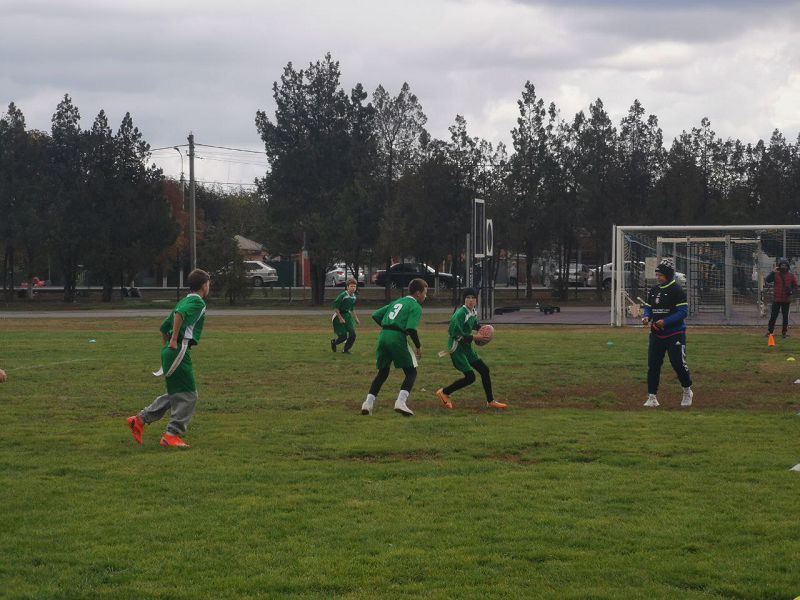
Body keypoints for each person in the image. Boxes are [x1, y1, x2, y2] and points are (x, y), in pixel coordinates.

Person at [127, 268, 211, 448]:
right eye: (208, 284)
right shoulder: (197, 302)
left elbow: (164, 326)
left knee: (176, 393)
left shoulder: (184, 300)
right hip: (179, 348)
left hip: (171, 351)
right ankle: (171, 435)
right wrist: (173, 341)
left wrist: (167, 346)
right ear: (204, 286)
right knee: (189, 395)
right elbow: (180, 315)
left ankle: (139, 420)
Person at [361, 278, 428, 417]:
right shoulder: (415, 306)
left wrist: (388, 326)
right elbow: (411, 328)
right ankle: (400, 402)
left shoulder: (398, 301)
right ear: (418, 293)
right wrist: (418, 346)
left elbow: (376, 315)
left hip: (383, 336)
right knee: (411, 372)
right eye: (425, 293)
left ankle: (368, 403)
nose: (425, 296)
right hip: (397, 337)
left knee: (383, 372)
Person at [436, 288, 507, 410]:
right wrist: (475, 337)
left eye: (473, 298)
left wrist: (483, 329)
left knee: (484, 370)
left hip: (466, 347)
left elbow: (473, 323)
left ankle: (490, 401)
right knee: (470, 377)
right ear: (464, 300)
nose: (471, 300)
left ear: (476, 300)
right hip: (456, 348)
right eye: (468, 297)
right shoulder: (460, 314)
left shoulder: (472, 311)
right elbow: (455, 334)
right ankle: (444, 392)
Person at [642, 257, 693, 408]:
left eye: (660, 275)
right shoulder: (654, 290)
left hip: (675, 334)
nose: (658, 277)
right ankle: (652, 396)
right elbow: (649, 307)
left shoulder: (677, 290)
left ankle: (687, 390)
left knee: (678, 363)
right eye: (657, 275)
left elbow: (683, 312)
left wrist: (665, 321)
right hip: (656, 334)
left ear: (668, 275)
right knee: (653, 364)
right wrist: (646, 317)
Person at [765, 257, 798, 339]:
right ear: (779, 266)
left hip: (786, 300)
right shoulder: (776, 274)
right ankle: (770, 331)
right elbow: (767, 280)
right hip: (777, 299)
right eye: (782, 265)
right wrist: (772, 272)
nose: (783, 267)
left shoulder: (791, 276)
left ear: (787, 266)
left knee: (785, 317)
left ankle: (784, 332)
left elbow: (795, 286)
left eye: (785, 265)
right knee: (773, 316)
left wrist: (791, 291)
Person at [330, 278, 360, 353]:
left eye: (354, 286)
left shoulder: (354, 296)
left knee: (353, 334)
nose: (353, 288)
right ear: (347, 287)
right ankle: (334, 342)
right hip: (338, 316)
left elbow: (352, 308)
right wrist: (340, 318)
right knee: (343, 337)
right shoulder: (343, 295)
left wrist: (356, 318)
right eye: (351, 286)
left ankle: (346, 350)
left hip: (347, 316)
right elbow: (336, 307)